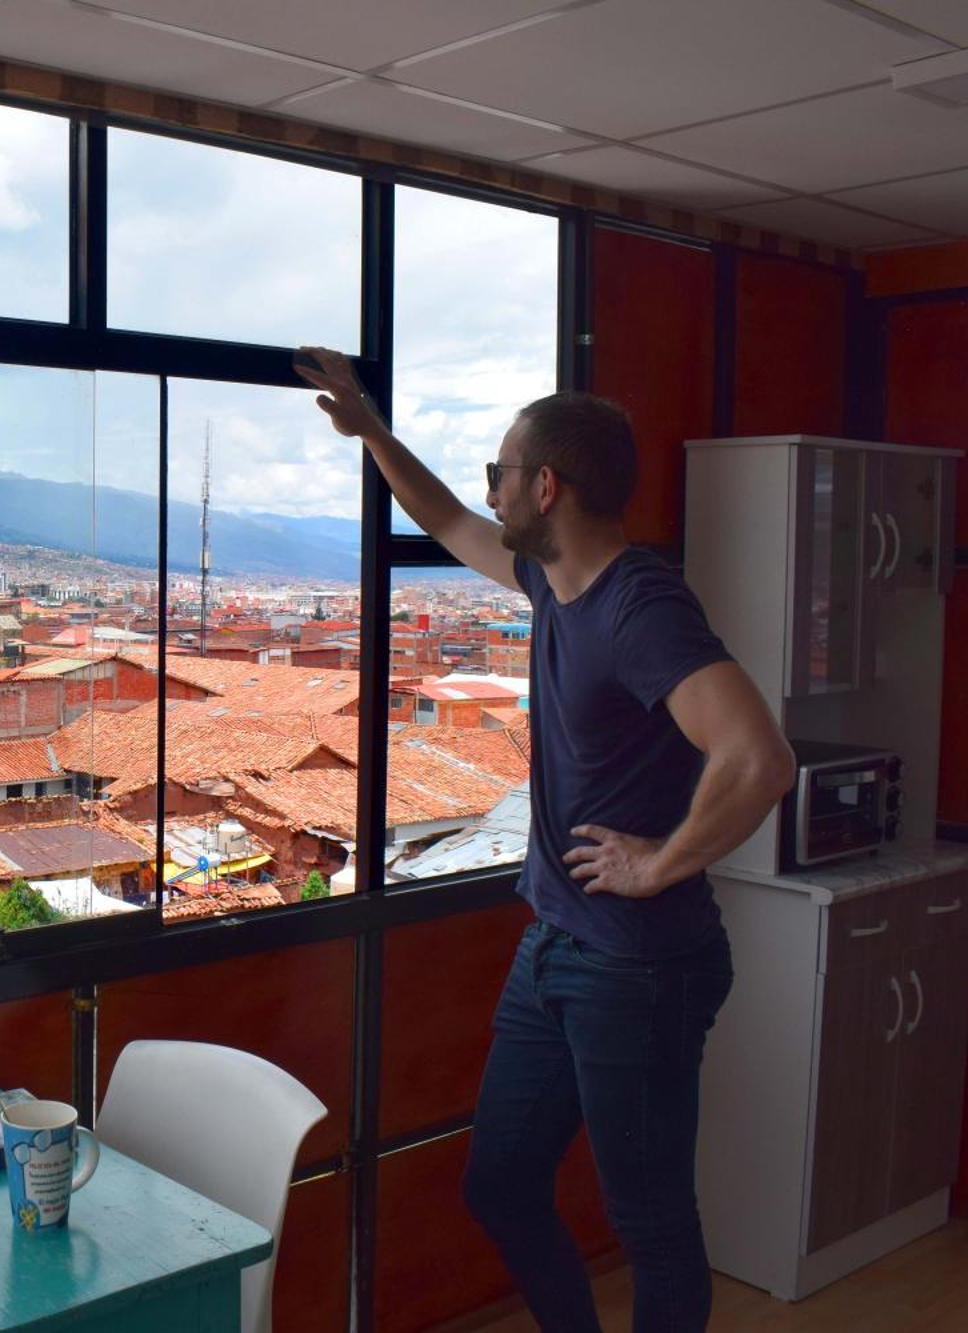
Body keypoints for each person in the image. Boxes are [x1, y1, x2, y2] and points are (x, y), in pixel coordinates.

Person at [297, 347, 795, 1332]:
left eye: (499, 469)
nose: (489, 487)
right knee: (501, 1183)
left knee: (649, 1222)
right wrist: (370, 430)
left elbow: (757, 757)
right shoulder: (549, 581)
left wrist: (658, 862)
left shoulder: (636, 606)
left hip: (637, 962)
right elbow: (443, 519)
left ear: (545, 484)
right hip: (557, 943)